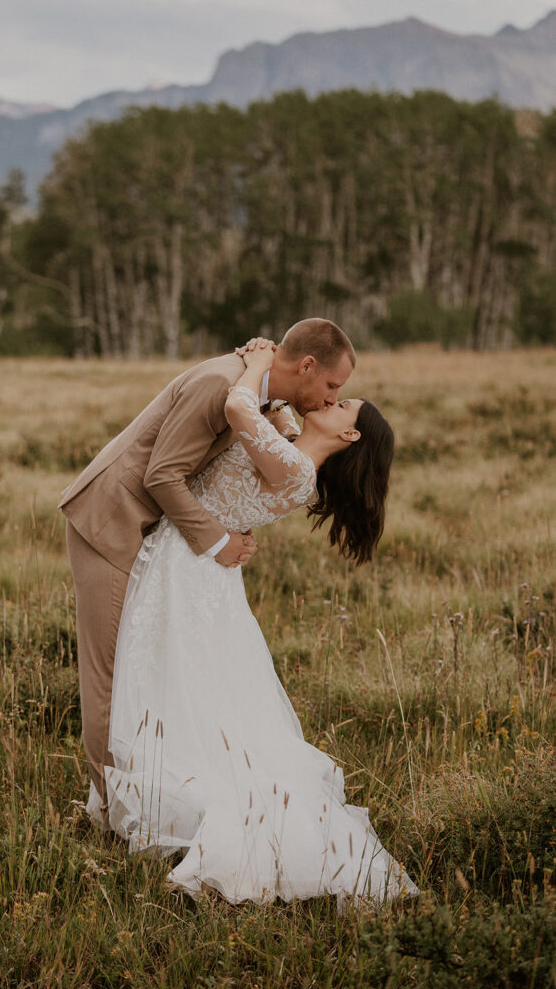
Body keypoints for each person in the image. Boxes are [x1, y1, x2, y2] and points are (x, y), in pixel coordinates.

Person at [102, 343, 419, 907]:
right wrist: (272, 372)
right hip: (200, 565)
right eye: (336, 393)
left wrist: (254, 366)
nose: (336, 400)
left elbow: (240, 410)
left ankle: (199, 813)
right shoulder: (296, 454)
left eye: (346, 406)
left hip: (191, 566)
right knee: (187, 681)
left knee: (169, 674)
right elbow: (274, 418)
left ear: (349, 437)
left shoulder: (296, 468)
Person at [59, 318, 356, 827]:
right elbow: (162, 475)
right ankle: (116, 815)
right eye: (332, 385)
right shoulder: (222, 384)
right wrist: (219, 542)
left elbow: (267, 432)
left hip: (160, 538)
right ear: (306, 365)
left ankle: (143, 798)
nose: (333, 397)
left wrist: (266, 368)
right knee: (111, 677)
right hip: (112, 523)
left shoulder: (255, 387)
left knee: (143, 670)